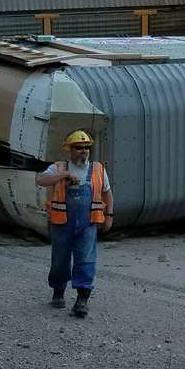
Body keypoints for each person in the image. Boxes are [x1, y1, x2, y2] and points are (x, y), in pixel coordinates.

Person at [35, 130, 113, 318]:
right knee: (60, 260)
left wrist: (109, 215)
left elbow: (108, 193)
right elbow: (41, 180)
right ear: (70, 149)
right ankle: (58, 291)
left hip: (88, 223)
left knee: (85, 259)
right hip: (62, 223)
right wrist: (63, 175)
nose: (84, 151)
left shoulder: (98, 169)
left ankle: (82, 300)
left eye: (87, 147)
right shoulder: (59, 167)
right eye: (79, 148)